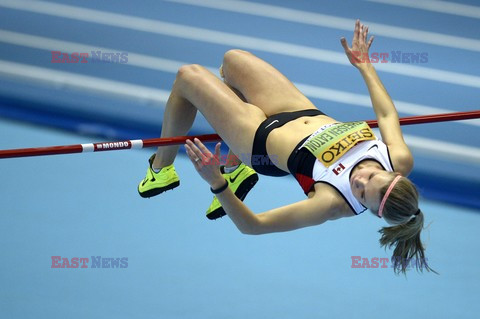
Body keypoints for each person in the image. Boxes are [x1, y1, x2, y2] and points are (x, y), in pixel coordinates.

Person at [138, 20, 435, 275]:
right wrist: (365, 66)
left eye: (360, 192)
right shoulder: (398, 157)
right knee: (233, 60)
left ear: (366, 208)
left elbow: (254, 226)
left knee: (188, 77)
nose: (358, 180)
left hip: (258, 141)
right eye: (370, 177)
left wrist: (217, 183)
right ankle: (235, 169)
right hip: (300, 110)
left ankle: (161, 169)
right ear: (395, 174)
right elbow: (385, 116)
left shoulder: (331, 204)